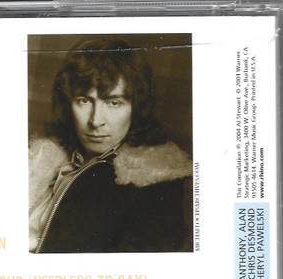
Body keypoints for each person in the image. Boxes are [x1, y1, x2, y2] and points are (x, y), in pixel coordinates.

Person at [29, 38, 192, 253]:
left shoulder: (154, 186)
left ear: (136, 108)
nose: (96, 121)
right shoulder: (43, 157)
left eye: (114, 103)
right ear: (68, 104)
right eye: (84, 100)